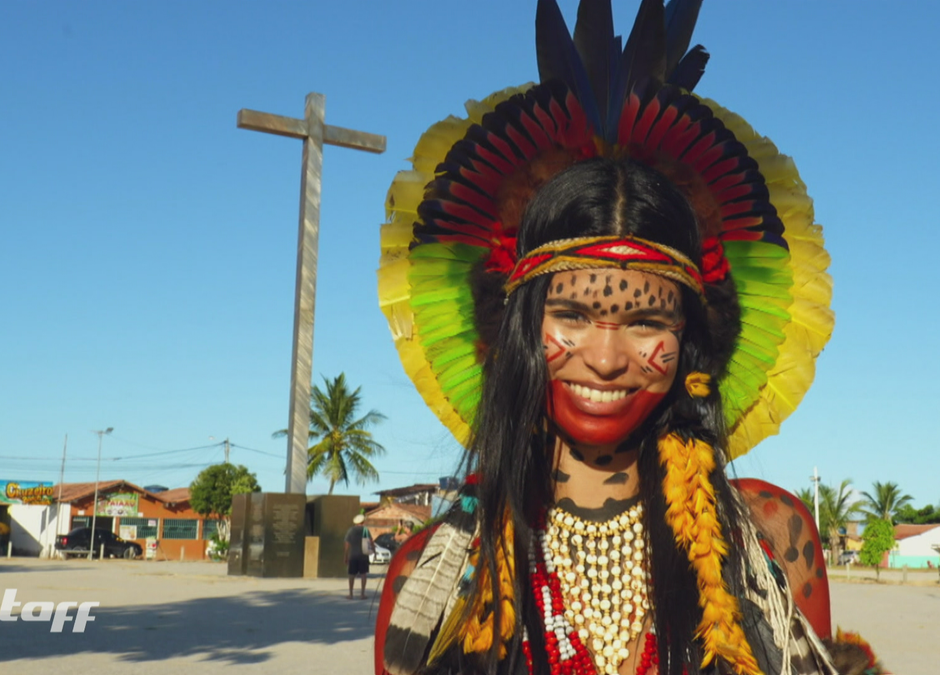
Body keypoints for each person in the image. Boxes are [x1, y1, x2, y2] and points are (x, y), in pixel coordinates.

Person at [373, 1, 882, 674]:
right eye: (573, 315)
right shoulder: (434, 575)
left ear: (692, 342)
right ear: (519, 329)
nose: (607, 358)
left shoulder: (770, 535)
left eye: (646, 321)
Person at [345, 514, 373, 599]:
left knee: (351, 575)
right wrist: (373, 551)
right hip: (363, 555)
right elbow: (371, 542)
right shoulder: (365, 530)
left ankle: (350, 594)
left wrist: (345, 555)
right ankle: (362, 594)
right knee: (363, 574)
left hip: (353, 555)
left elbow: (346, 544)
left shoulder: (351, 530)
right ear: (362, 522)